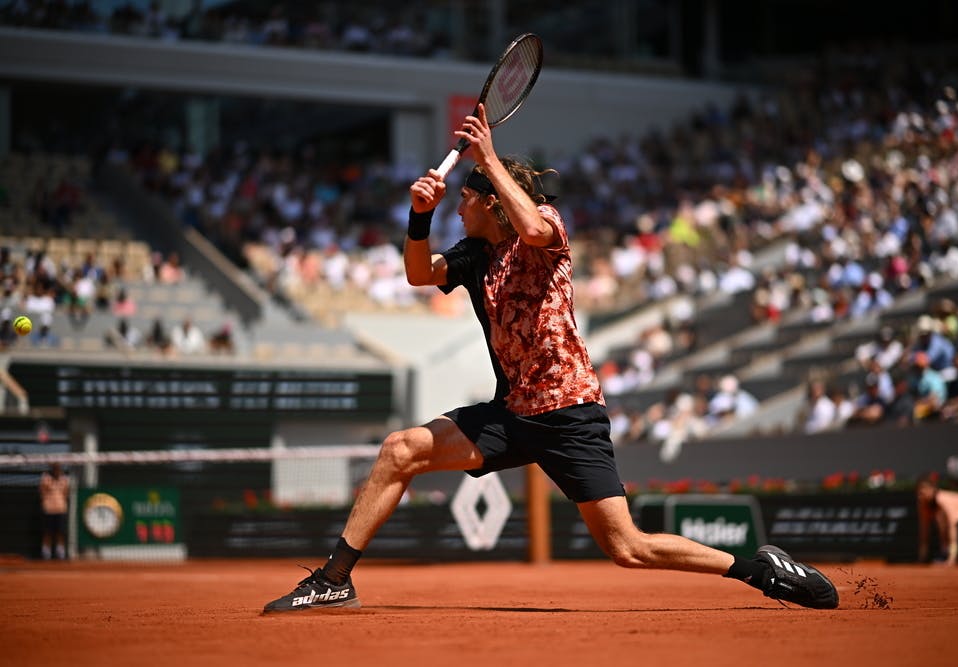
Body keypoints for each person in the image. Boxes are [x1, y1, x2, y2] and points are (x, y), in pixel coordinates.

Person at [262, 103, 838, 613]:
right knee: (400, 450)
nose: (459, 210)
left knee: (628, 548)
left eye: (464, 201)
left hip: (569, 414)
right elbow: (419, 273)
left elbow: (533, 225)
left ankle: (756, 570)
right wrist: (419, 217)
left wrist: (486, 160)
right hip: (511, 414)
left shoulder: (547, 231)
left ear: (491, 201)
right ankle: (335, 578)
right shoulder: (473, 252)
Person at [39, 463, 70, 560]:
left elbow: (66, 493)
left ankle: (60, 554)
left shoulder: (64, 479)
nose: (57, 471)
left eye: (58, 468)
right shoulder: (45, 478)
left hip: (60, 510)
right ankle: (46, 554)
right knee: (47, 532)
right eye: (55, 469)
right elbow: (42, 492)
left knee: (60, 532)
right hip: (48, 510)